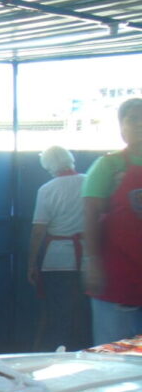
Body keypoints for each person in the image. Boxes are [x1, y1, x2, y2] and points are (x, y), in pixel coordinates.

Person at [82, 97, 142, 345]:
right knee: (113, 355)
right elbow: (90, 215)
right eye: (133, 119)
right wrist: (93, 262)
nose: (140, 125)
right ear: (121, 127)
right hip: (118, 273)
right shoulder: (108, 165)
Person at [27, 145, 91, 351]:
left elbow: (39, 231)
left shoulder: (47, 190)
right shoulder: (89, 182)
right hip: (88, 260)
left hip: (57, 261)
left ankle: (55, 356)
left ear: (47, 165)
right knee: (83, 315)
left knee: (58, 315)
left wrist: (31, 265)